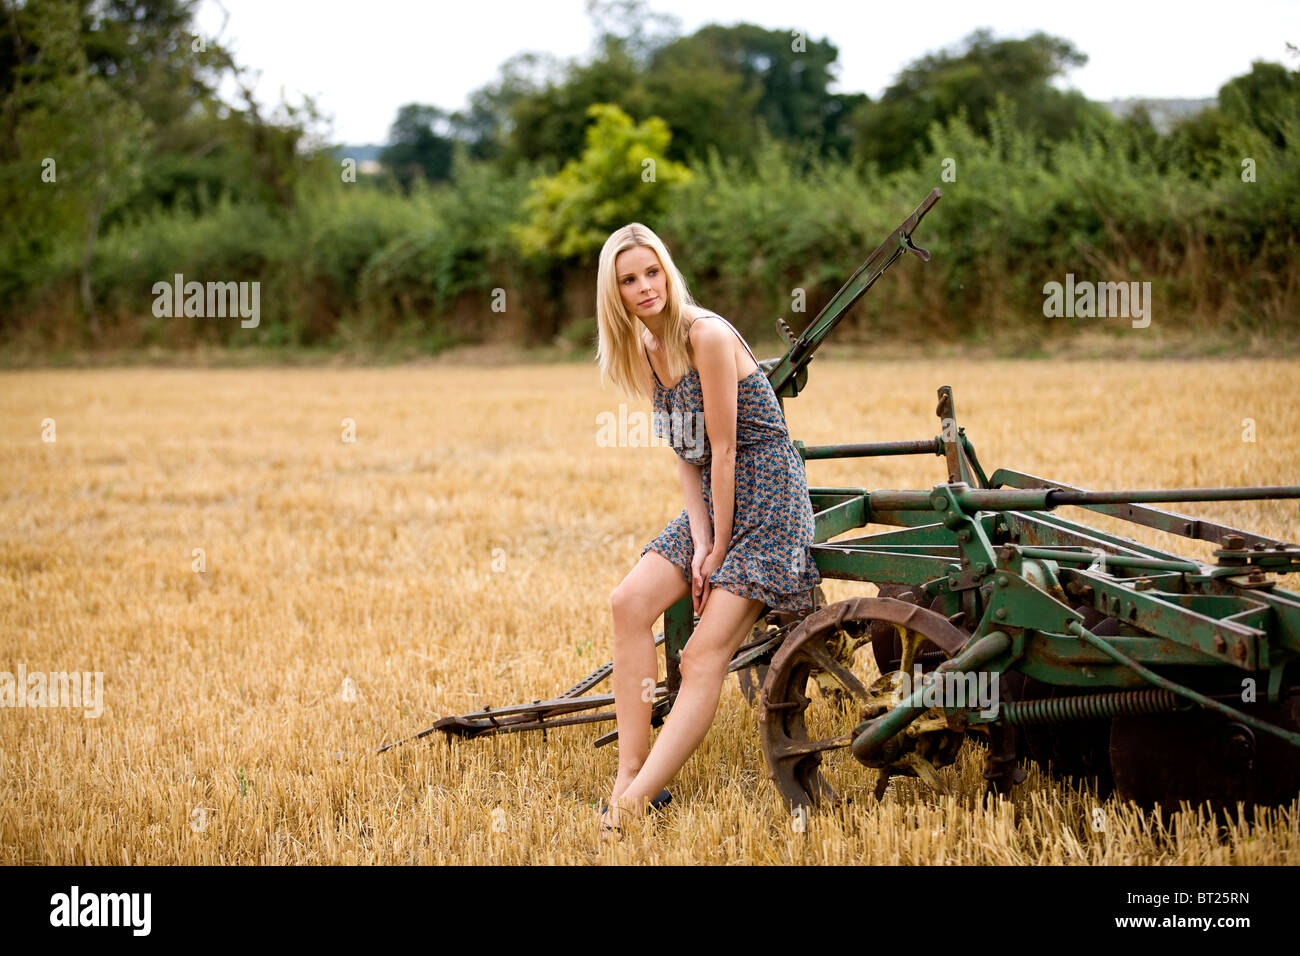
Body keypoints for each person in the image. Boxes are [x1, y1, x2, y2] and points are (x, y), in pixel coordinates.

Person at [593, 222, 822, 842]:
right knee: (627, 603)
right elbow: (686, 456)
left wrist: (718, 549)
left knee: (700, 656)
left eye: (651, 272)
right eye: (628, 280)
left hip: (768, 497)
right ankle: (632, 773)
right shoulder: (644, 353)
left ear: (667, 271)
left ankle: (631, 809)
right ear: (613, 294)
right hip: (714, 502)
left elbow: (724, 449)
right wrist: (699, 537)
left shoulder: (708, 336)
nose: (645, 287)